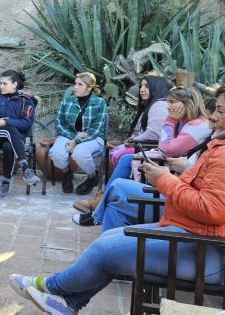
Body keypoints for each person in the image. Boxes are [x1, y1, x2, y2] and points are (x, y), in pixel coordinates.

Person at [9, 81, 225, 315]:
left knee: (105, 249)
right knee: (110, 238)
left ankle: (50, 287)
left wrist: (163, 180)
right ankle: (68, 303)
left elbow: (211, 210)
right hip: (202, 237)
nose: (213, 116)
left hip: (215, 256)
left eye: (221, 111)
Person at [73, 85, 213, 228]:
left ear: (186, 103)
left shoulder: (197, 126)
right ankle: (100, 205)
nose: (167, 107)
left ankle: (97, 211)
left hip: (175, 174)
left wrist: (170, 120)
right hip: (171, 167)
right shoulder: (186, 121)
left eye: (171, 102)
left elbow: (168, 148)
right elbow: (166, 145)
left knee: (125, 167)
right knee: (127, 159)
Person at [73, 75, 169, 211]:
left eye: (146, 86)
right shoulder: (153, 104)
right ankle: (105, 199)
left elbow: (153, 134)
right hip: (146, 148)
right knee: (120, 154)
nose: (142, 90)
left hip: (152, 151)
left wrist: (134, 141)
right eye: (141, 86)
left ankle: (102, 200)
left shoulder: (159, 105)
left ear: (157, 87)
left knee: (123, 157)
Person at [0, 69, 40, 197]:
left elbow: (27, 123)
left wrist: (5, 122)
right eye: (0, 83)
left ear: (15, 84)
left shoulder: (26, 100)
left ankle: (5, 185)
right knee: (9, 130)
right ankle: (25, 168)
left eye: (4, 83)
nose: (1, 86)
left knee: (9, 144)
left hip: (15, 139)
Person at [48, 72, 108, 195]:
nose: (75, 87)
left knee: (80, 153)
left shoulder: (99, 103)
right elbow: (59, 123)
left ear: (90, 87)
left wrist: (76, 141)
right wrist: (73, 137)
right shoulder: (68, 101)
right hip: (69, 135)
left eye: (80, 84)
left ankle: (92, 177)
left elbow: (97, 129)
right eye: (75, 84)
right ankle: (67, 173)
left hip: (93, 137)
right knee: (56, 153)